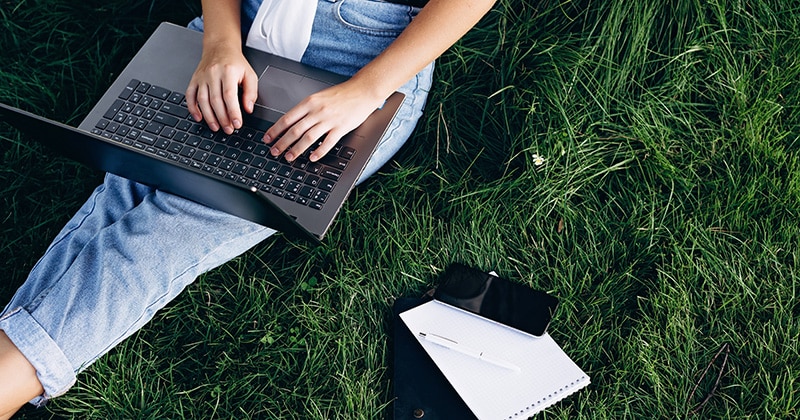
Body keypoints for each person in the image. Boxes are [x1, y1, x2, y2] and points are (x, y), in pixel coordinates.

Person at [0, 0, 496, 417]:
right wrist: (218, 44)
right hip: (237, 25)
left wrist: (365, 91)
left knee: (163, 233)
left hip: (359, 62)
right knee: (131, 180)